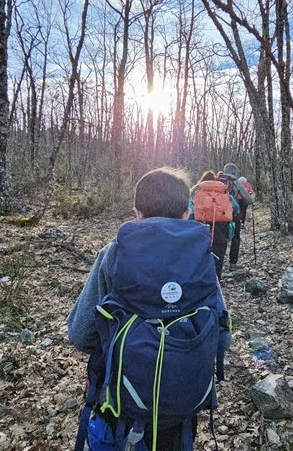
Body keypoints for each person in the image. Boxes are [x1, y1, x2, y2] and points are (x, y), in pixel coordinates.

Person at [68, 167, 231, 451]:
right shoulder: (201, 255)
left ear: (137, 212)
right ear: (185, 213)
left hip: (122, 407)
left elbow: (80, 334)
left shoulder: (116, 252)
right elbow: (223, 335)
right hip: (182, 407)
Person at [188, 170, 233, 278]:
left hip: (201, 223)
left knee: (201, 251)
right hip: (221, 225)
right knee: (219, 252)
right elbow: (234, 207)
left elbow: (189, 206)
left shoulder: (197, 189)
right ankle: (216, 279)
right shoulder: (222, 191)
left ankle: (201, 277)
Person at [217, 163, 255, 270]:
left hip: (215, 214)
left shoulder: (216, 179)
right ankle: (232, 264)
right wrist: (253, 195)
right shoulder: (236, 182)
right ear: (235, 172)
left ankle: (216, 263)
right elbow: (248, 200)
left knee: (218, 239)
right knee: (235, 237)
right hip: (231, 214)